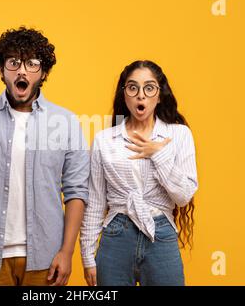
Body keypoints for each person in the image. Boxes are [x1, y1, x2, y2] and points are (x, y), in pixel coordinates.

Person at [0, 26, 89, 286]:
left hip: (46, 259)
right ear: (2, 70)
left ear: (44, 72)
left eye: (32, 63)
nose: (22, 70)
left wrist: (67, 252)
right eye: (13, 62)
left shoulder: (66, 122)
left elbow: (76, 191)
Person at [80, 60, 198, 286]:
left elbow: (183, 197)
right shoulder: (105, 141)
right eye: (133, 88)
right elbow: (95, 202)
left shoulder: (179, 135)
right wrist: (87, 256)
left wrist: (158, 154)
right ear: (124, 95)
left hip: (160, 233)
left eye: (149, 88)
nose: (141, 95)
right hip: (116, 234)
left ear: (159, 95)